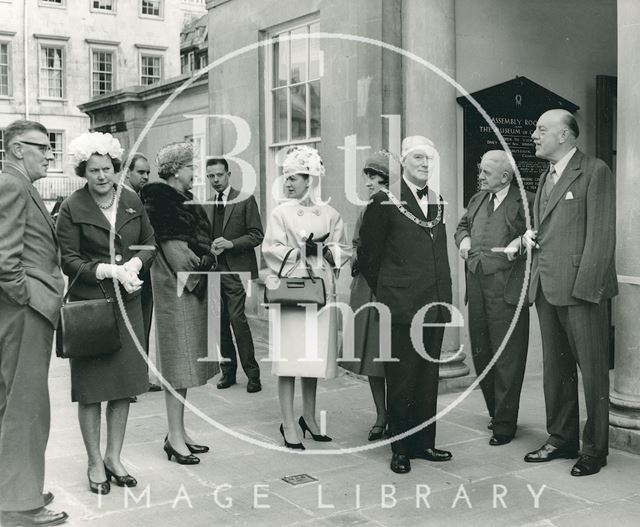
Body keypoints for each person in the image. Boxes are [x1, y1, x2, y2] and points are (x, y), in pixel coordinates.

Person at [56, 132, 156, 494]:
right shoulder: (71, 207)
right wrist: (106, 269)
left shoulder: (131, 200)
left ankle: (114, 457)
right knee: (91, 390)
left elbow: (150, 243)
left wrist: (134, 262)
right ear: (84, 171)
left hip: (129, 305)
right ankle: (94, 462)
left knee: (123, 387)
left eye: (108, 169)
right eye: (94, 170)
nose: (102, 176)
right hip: (92, 308)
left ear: (116, 169)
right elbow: (68, 259)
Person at [522, 109, 617, 476]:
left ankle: (595, 449)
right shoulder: (546, 177)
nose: (534, 135)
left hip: (581, 291)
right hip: (547, 287)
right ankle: (561, 439)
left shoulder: (595, 171)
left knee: (593, 373)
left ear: (564, 135)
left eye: (541, 129)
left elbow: (601, 235)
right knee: (556, 370)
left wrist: (588, 289)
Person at [358, 135, 453, 474]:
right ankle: (400, 448)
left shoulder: (438, 201)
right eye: (418, 159)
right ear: (403, 164)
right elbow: (368, 256)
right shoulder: (385, 200)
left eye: (429, 159)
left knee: (427, 377)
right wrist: (390, 292)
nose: (425, 165)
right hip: (400, 305)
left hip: (435, 302)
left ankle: (424, 443)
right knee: (401, 378)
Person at [0, 120, 68, 526]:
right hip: (24, 312)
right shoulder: (11, 184)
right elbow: (5, 259)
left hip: (21, 312)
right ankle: (22, 504)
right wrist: (28, 297)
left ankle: (13, 487)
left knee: (13, 404)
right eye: (41, 147)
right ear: (15, 149)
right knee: (27, 408)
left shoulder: (18, 184)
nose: (49, 154)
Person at [262, 145, 351, 449]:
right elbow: (270, 249)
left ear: (310, 179)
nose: (288, 183)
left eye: (294, 178)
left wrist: (327, 251)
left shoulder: (330, 213)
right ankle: (288, 422)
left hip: (320, 292)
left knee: (311, 359)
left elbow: (344, 248)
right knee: (289, 359)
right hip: (292, 292)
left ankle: (309, 418)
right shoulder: (279, 213)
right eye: (286, 178)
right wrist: (300, 252)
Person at [141, 142, 219, 465]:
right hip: (178, 291)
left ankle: (179, 431)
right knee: (177, 366)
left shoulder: (176, 199)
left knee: (184, 366)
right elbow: (178, 258)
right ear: (175, 171)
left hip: (186, 291)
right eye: (189, 166)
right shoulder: (162, 202)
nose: (193, 172)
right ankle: (174, 437)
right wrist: (207, 262)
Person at [455, 150, 532, 446]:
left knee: (507, 357)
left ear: (505, 176)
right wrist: (465, 241)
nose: (480, 176)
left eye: (486, 172)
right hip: (476, 285)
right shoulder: (477, 199)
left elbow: (534, 232)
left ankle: (505, 423)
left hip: (507, 290)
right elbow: (462, 226)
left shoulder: (523, 199)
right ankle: (495, 411)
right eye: (480, 170)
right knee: (482, 352)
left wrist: (518, 241)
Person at [340, 150, 395, 441]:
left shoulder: (397, 207)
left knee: (392, 356)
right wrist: (356, 255)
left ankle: (395, 416)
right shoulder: (367, 208)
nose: (370, 183)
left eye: (376, 177)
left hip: (389, 288)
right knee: (373, 357)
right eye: (368, 177)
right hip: (367, 288)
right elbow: (357, 242)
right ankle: (381, 415)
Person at [205, 158, 264, 393]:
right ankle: (227, 373)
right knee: (219, 324)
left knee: (237, 321)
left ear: (228, 174)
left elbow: (257, 235)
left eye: (219, 175)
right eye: (211, 176)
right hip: (214, 270)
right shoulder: (207, 204)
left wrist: (230, 244)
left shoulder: (245, 199)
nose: (215, 180)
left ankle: (253, 375)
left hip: (237, 270)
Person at [123, 153, 160, 393]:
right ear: (127, 172)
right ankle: (128, 383)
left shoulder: (141, 197)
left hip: (144, 273)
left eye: (148, 172)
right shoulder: (120, 198)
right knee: (129, 330)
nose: (146, 176)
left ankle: (139, 379)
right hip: (126, 274)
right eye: (141, 172)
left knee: (143, 327)